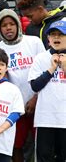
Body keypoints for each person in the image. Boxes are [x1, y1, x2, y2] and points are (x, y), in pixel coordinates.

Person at [0, 9, 44, 162]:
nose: (8, 28)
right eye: (4, 25)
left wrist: (36, 98)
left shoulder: (34, 42)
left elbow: (45, 71)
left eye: (11, 24)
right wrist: (17, 105)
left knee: (40, 144)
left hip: (39, 103)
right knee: (16, 145)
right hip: (15, 108)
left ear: (18, 24)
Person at [28, 20, 66, 162]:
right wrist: (51, 69)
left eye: (61, 35)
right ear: (48, 39)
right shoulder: (41, 58)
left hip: (65, 119)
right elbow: (35, 86)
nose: (56, 38)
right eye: (53, 35)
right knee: (44, 158)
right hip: (46, 119)